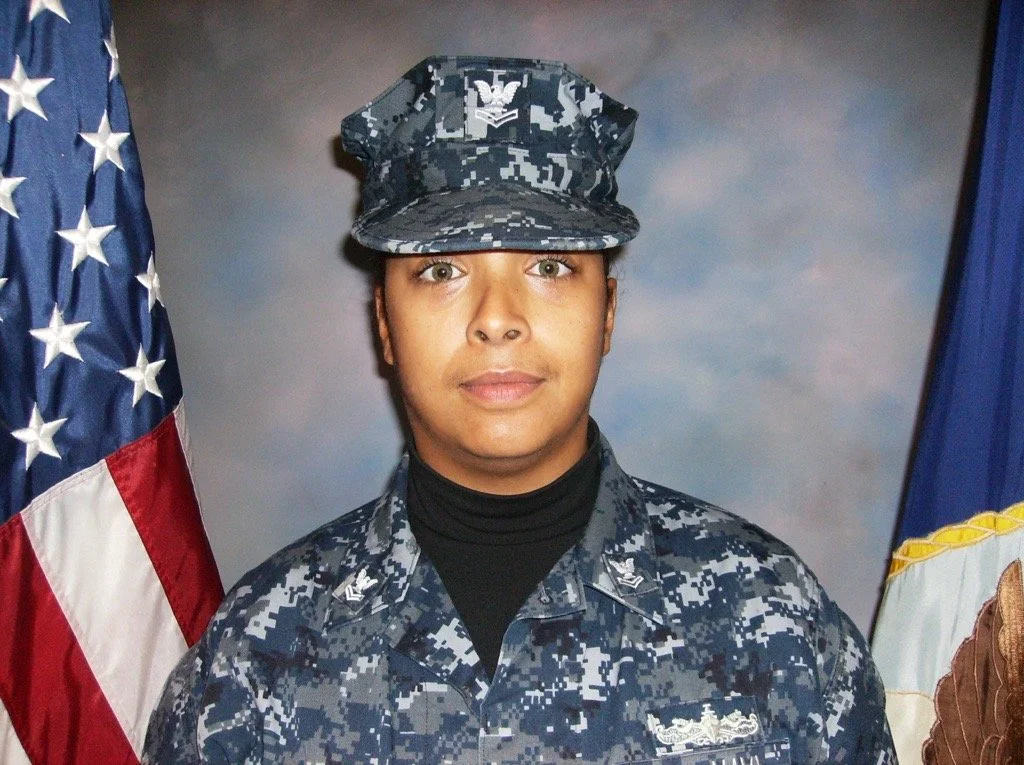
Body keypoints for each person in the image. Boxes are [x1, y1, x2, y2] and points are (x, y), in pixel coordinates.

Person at [144, 55, 896, 764]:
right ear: (384, 324)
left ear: (607, 310)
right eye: (440, 269)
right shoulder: (256, 656)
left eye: (548, 265)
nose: (496, 318)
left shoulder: (776, 626)